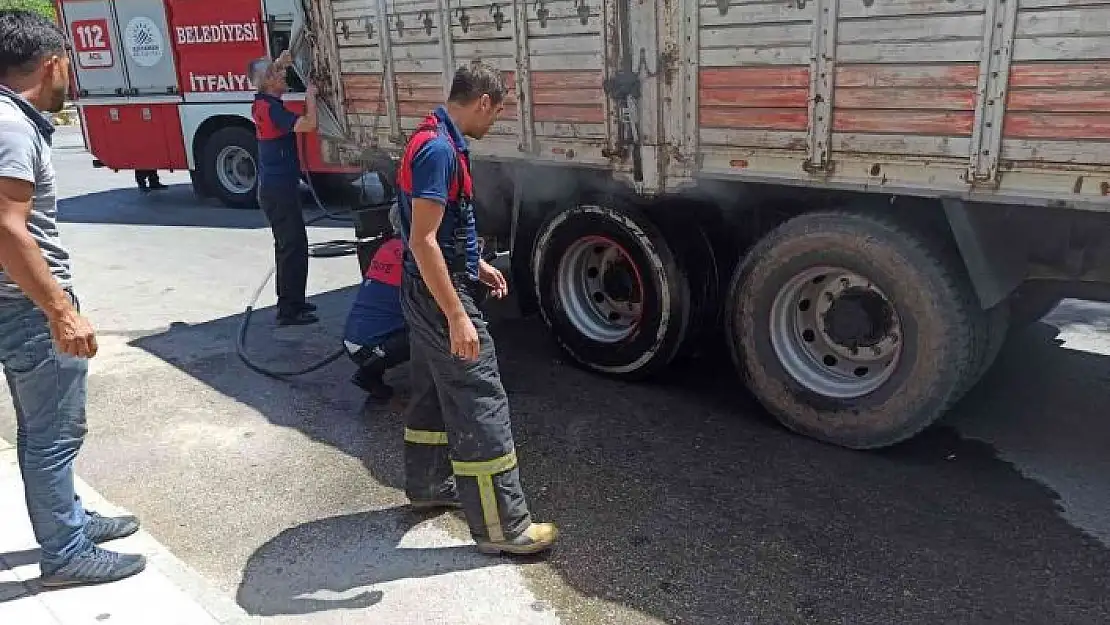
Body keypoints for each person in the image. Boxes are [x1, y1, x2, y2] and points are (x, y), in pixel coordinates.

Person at [0, 10, 145, 587]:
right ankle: (67, 553)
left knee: (42, 431)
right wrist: (60, 310)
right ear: (51, 62)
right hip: (25, 307)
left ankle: (69, 521)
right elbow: (9, 228)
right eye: (69, 65)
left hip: (15, 303)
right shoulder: (11, 127)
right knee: (55, 432)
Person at [395, 61, 558, 555]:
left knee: (431, 386)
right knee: (479, 396)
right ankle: (504, 528)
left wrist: (477, 264)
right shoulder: (440, 151)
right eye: (497, 114)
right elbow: (424, 242)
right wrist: (457, 314)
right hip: (434, 291)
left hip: (430, 284)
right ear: (483, 101)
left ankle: (426, 486)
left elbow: (442, 232)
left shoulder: (433, 138)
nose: (494, 125)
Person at [247, 51, 318, 326]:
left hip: (275, 188)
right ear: (268, 82)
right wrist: (310, 95)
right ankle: (289, 311)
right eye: (278, 74)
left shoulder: (263, 101)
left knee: (292, 245)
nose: (283, 75)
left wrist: (281, 62)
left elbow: (266, 75)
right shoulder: (272, 109)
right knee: (292, 247)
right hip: (278, 191)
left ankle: (294, 302)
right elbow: (309, 124)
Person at [343, 207, 409, 402]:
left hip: (352, 340)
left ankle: (369, 374)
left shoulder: (386, 248)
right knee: (431, 330)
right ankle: (431, 389)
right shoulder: (410, 253)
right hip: (371, 347)